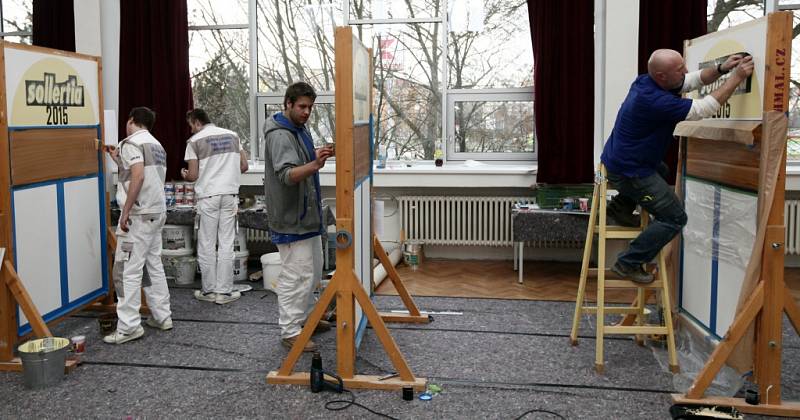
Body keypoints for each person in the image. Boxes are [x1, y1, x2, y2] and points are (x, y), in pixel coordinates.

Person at [602, 49, 754, 284]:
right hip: (629, 171)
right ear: (662, 76)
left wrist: (722, 69)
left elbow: (691, 80)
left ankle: (620, 208)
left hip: (622, 160)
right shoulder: (655, 101)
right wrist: (735, 78)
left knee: (662, 170)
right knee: (674, 218)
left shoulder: (647, 81)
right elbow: (704, 109)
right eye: (679, 69)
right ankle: (627, 263)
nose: (685, 72)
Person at [263, 82, 334, 352]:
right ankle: (290, 330)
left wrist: (317, 155)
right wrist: (315, 164)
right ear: (288, 104)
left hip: (306, 216)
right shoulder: (280, 135)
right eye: (302, 107)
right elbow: (287, 175)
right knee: (297, 274)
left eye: (310, 108)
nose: (306, 112)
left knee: (313, 270)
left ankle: (307, 318)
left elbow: (299, 162)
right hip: (291, 217)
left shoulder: (298, 130)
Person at [104, 106, 173, 344]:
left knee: (127, 270)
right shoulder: (157, 145)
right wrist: (117, 158)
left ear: (131, 120)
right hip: (156, 212)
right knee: (154, 264)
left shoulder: (130, 143)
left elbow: (138, 175)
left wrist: (125, 211)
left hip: (138, 214)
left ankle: (129, 326)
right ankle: (162, 316)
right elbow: (141, 172)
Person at [182, 109, 249, 305]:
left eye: (191, 125)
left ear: (195, 122)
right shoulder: (233, 136)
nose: (191, 130)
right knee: (227, 243)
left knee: (207, 244)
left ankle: (209, 291)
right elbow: (243, 166)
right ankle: (225, 293)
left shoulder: (194, 141)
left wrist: (185, 174)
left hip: (208, 196)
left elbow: (193, 175)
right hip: (230, 195)